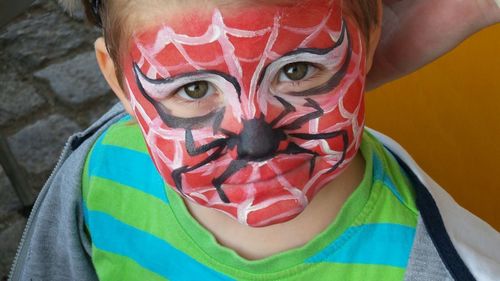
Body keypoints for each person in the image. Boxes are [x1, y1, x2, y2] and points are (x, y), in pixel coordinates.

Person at [8, 0, 500, 280]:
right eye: (194, 89)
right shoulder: (97, 175)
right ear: (120, 83)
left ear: (368, 38)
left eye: (298, 69)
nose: (256, 140)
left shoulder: (452, 267)